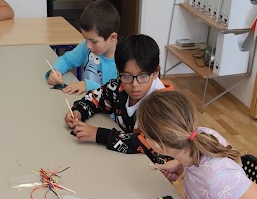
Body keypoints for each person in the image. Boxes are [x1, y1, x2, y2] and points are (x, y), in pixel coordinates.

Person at [64, 34, 174, 164]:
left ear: (156, 72)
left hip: (156, 170)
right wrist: (79, 111)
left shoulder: (163, 105)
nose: (134, 84)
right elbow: (96, 97)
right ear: (118, 71)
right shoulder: (118, 87)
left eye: (143, 76)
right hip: (124, 162)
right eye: (127, 76)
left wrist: (98, 134)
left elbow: (145, 143)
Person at [46, 0, 119, 94]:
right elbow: (67, 60)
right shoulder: (86, 46)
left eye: (93, 41)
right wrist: (56, 71)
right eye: (85, 38)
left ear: (112, 37)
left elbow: (115, 93)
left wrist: (87, 85)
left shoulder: (123, 62)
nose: (88, 45)